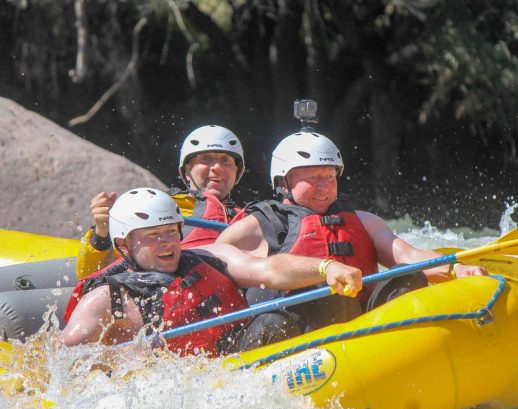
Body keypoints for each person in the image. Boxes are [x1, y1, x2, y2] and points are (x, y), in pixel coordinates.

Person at [216, 131, 488, 332]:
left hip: (364, 326)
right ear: (283, 183)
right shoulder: (255, 228)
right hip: (297, 331)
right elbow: (219, 272)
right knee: (326, 300)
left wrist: (455, 269)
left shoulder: (364, 221)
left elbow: (408, 254)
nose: (324, 186)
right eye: (312, 178)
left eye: (330, 177)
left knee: (409, 278)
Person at [62, 188, 362, 356]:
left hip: (238, 354)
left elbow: (269, 269)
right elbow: (65, 355)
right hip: (187, 386)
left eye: (171, 231)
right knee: (271, 324)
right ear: (123, 244)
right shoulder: (107, 298)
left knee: (322, 300)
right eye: (153, 235)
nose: (167, 242)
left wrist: (326, 267)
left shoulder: (209, 256)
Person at [76, 125, 247, 278]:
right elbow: (93, 276)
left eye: (226, 160)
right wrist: (102, 232)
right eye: (206, 159)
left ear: (237, 171)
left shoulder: (251, 218)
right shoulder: (156, 206)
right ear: (187, 170)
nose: (217, 167)